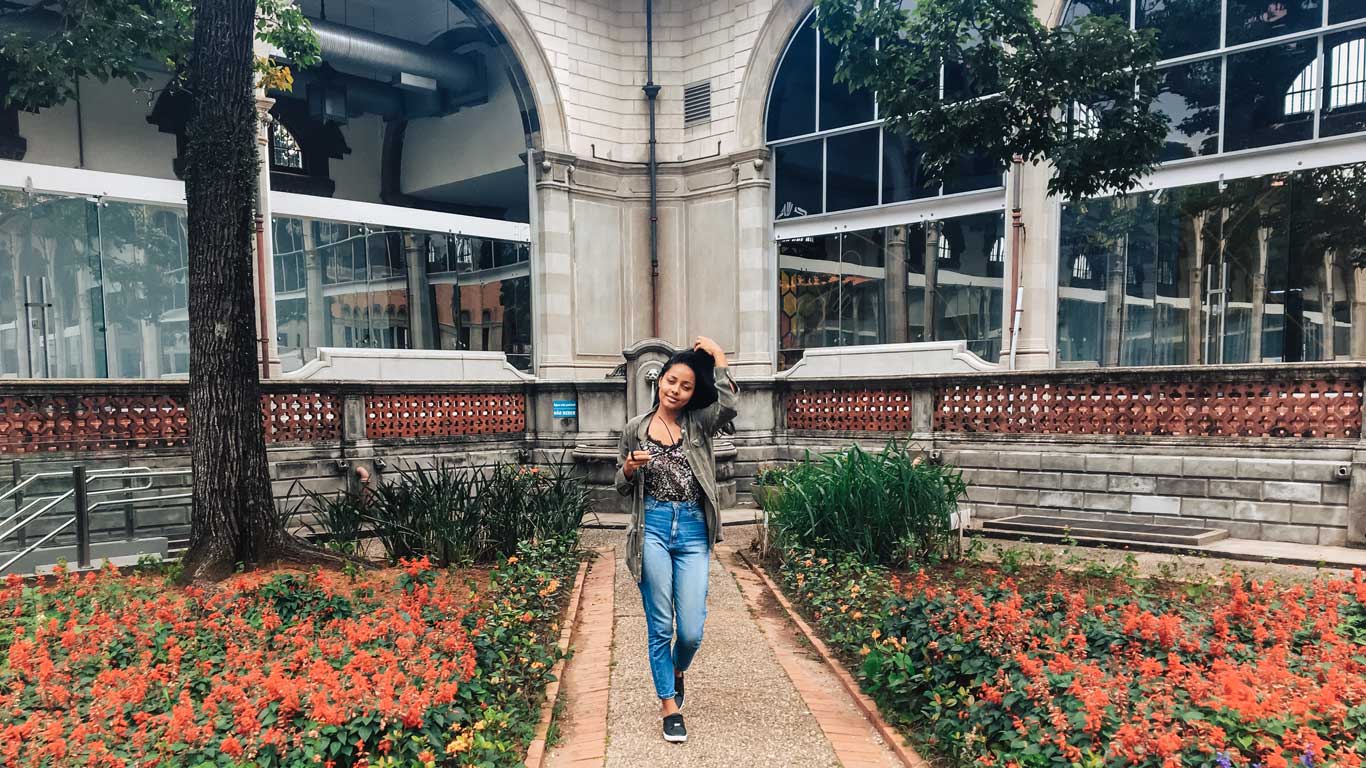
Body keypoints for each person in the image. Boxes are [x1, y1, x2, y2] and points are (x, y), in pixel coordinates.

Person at [615, 336, 739, 744]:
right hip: (651, 525)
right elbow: (620, 483)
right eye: (671, 381)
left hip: (691, 529)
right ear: (660, 381)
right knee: (660, 624)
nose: (675, 390)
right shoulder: (635, 429)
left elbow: (730, 405)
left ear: (692, 392)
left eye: (685, 386)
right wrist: (631, 469)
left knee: (689, 632)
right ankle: (669, 706)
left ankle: (678, 668)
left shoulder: (699, 423)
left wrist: (718, 358)